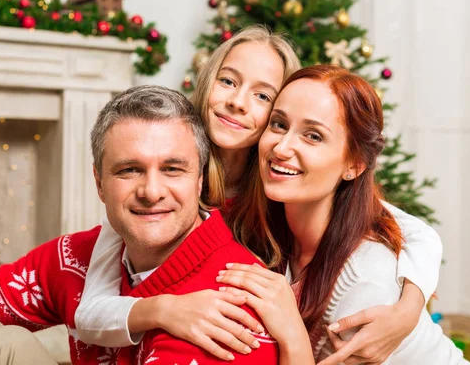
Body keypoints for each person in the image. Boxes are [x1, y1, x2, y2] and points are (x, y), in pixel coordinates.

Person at [75, 27, 443, 364]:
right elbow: (91, 308)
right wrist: (165, 310)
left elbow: (415, 233)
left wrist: (408, 309)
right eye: (228, 81)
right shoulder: (167, 185)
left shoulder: (280, 186)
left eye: (262, 94)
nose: (238, 102)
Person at [0, 86, 279, 365]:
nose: (152, 192)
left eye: (172, 169)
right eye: (129, 170)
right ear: (99, 183)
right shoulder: (79, 257)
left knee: (1, 350)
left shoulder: (229, 301)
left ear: (200, 180)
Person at [216, 65, 469, 364]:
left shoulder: (364, 285)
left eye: (313, 136)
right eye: (279, 124)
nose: (282, 148)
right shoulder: (268, 226)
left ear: (354, 164)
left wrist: (291, 330)